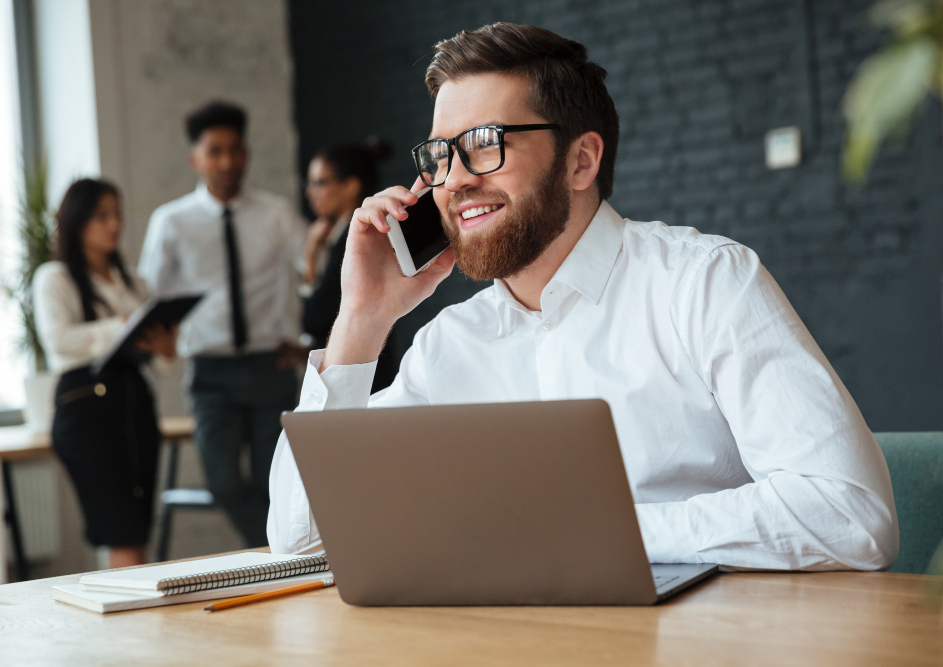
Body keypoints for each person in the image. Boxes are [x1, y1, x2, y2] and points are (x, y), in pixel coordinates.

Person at [268, 23, 899, 571]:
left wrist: (593, 536)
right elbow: (301, 539)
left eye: (485, 144)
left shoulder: (703, 283)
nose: (454, 180)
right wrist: (361, 322)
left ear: (580, 161)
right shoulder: (447, 347)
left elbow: (852, 512)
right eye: (439, 155)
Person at [138, 101, 305, 547]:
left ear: (247, 153)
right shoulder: (170, 222)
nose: (227, 161)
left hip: (270, 367)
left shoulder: (276, 214)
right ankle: (270, 551)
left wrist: (310, 342)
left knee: (282, 483)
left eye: (235, 149)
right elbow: (150, 298)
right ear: (195, 158)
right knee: (223, 481)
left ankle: (279, 564)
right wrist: (164, 347)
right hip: (210, 373)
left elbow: (319, 274)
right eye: (215, 151)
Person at [33, 178, 178, 568]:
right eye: (102, 216)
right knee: (122, 531)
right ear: (77, 221)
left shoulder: (135, 281)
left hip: (135, 407)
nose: (114, 224)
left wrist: (165, 346)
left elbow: (162, 364)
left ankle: (134, 620)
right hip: (86, 412)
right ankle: (134, 624)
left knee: (137, 529)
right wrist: (122, 325)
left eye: (117, 214)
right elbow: (58, 341)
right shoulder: (55, 277)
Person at [300, 141, 396, 391]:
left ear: (351, 186)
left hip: (359, 376)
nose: (310, 192)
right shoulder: (349, 236)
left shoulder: (355, 242)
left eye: (319, 182)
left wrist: (310, 258)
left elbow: (315, 318)